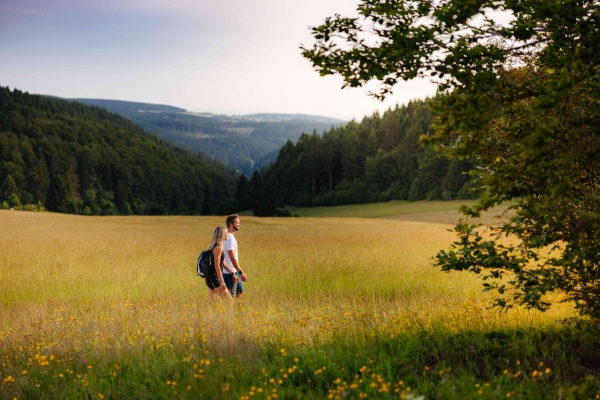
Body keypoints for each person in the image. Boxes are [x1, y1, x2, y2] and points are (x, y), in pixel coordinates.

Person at [205, 226, 237, 300]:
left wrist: (232, 274)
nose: (228, 234)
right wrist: (222, 282)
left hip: (210, 278)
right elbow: (217, 265)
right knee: (230, 301)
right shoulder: (218, 248)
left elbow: (223, 262)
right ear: (222, 235)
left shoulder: (214, 246)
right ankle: (230, 312)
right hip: (214, 279)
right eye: (226, 233)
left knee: (212, 303)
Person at [223, 214, 247, 298]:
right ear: (231, 224)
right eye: (237, 222)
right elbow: (232, 258)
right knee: (231, 297)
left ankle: (232, 309)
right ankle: (229, 310)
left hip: (231, 271)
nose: (239, 224)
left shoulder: (229, 237)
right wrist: (241, 272)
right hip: (230, 272)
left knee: (240, 292)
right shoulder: (230, 238)